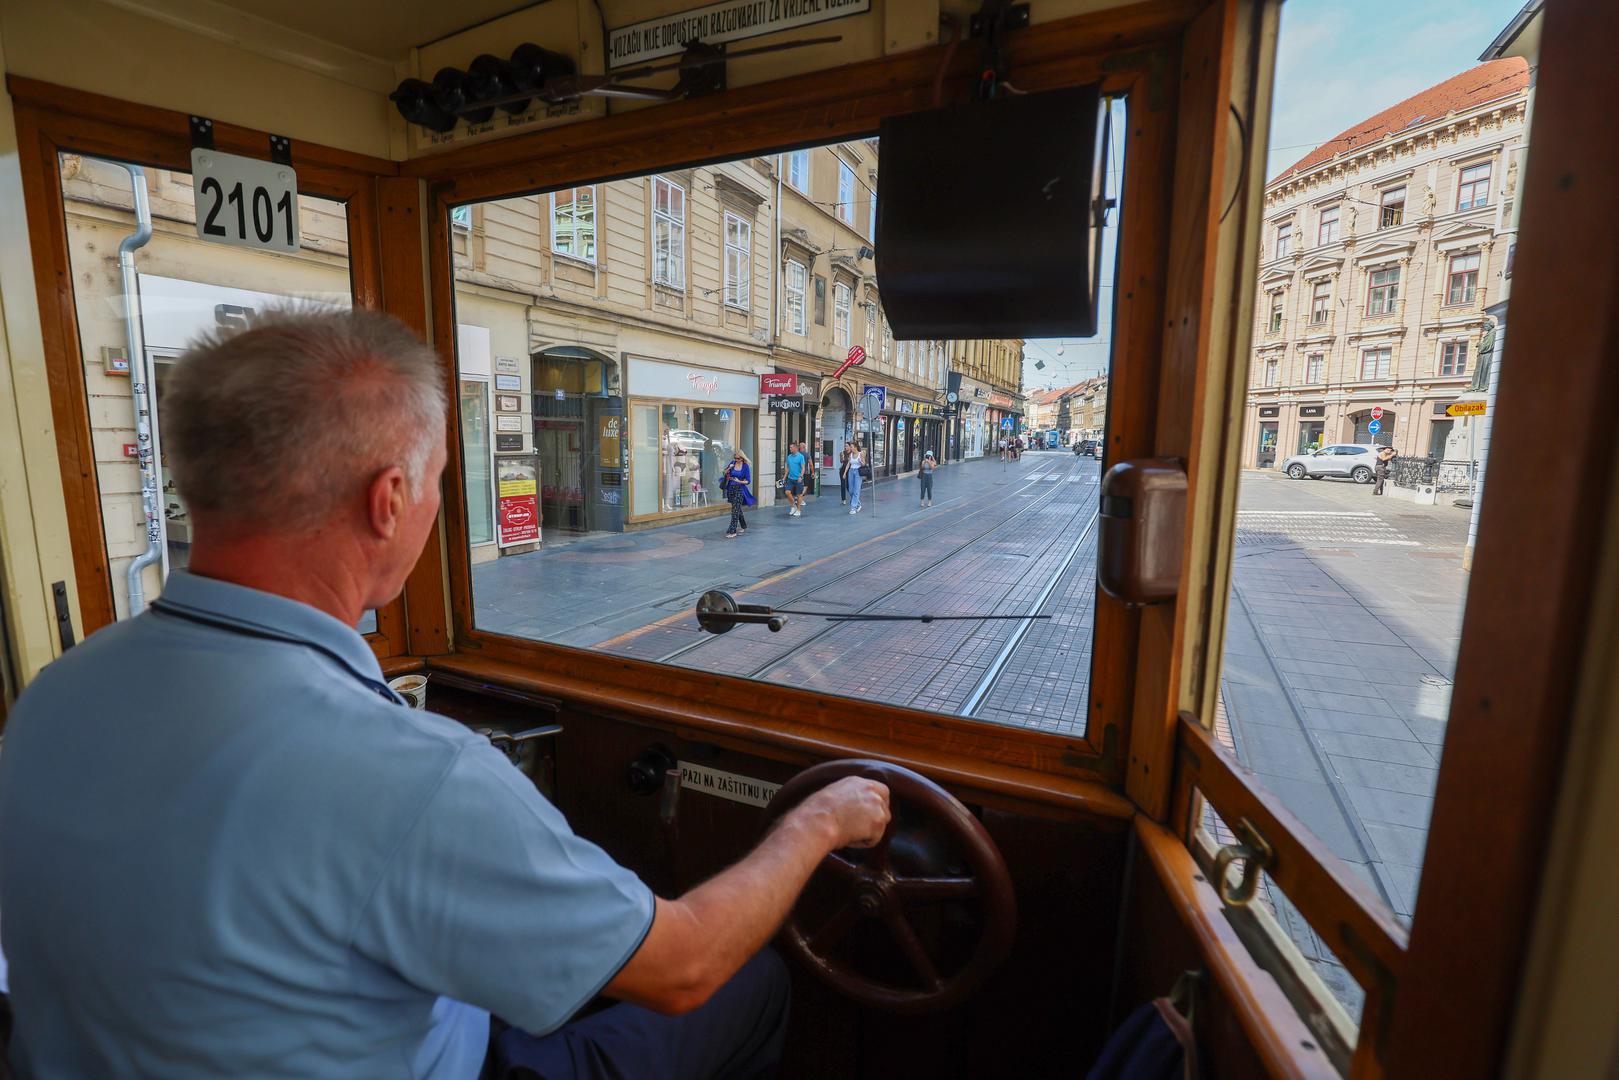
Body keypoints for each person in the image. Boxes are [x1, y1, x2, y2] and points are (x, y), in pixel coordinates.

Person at [0, 310, 892, 1080]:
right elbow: (685, 965)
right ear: (389, 500)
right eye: (433, 483)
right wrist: (816, 823)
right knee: (751, 984)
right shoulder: (411, 775)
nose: (431, 504)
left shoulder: (55, 694)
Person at [722, 449, 755, 537]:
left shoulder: (745, 466)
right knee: (737, 509)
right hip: (731, 489)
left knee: (735, 510)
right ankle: (743, 525)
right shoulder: (732, 463)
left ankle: (733, 531)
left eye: (737, 458)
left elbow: (748, 481)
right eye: (735, 458)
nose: (736, 460)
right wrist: (729, 468)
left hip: (739, 489)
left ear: (741, 458)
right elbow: (724, 473)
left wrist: (739, 481)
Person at [783, 441, 807, 517]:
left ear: (796, 448)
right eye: (790, 447)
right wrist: (784, 478)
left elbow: (803, 468)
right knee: (787, 492)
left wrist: (801, 476)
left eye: (791, 447)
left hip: (798, 479)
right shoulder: (789, 457)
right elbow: (788, 468)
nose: (790, 449)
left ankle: (799, 510)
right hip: (790, 478)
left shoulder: (800, 457)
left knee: (799, 495)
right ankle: (793, 506)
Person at [847, 442, 865, 514]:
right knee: (851, 490)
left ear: (855, 447)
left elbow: (864, 463)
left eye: (851, 447)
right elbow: (849, 464)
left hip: (858, 472)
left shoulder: (860, 454)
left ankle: (853, 508)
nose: (850, 448)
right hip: (851, 472)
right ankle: (858, 504)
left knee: (856, 490)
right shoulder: (850, 455)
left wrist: (861, 461)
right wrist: (845, 473)